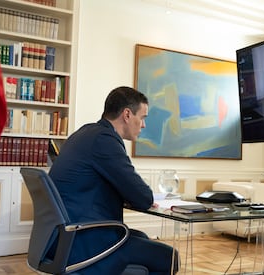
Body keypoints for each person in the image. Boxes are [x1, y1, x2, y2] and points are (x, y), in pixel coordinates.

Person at [49, 86, 178, 275]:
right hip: (86, 244)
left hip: (64, 238)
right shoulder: (105, 140)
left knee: (141, 237)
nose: (143, 125)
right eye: (142, 118)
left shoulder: (85, 133)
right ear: (127, 114)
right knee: (171, 258)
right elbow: (143, 197)